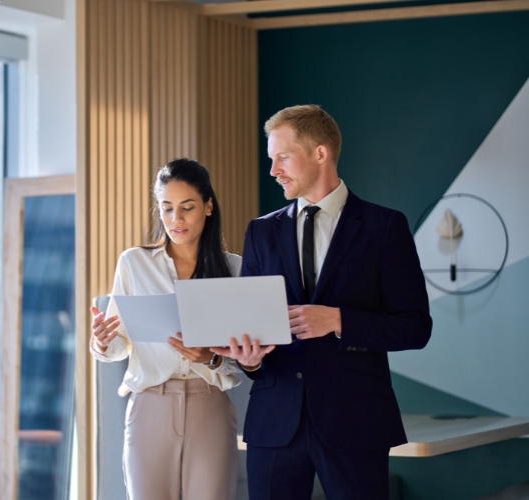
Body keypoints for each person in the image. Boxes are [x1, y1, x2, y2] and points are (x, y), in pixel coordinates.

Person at [213, 105, 432, 499]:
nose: (273, 170)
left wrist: (337, 320)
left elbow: (416, 326)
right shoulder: (261, 232)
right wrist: (250, 359)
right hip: (275, 422)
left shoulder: (384, 227)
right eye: (271, 160)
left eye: (282, 157)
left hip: (356, 420)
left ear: (320, 153)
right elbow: (253, 328)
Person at [90, 158, 241, 500]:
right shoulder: (133, 263)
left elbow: (243, 361)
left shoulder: (235, 269)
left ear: (208, 206)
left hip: (210, 407)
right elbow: (118, 346)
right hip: (149, 407)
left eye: (187, 207)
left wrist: (211, 358)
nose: (177, 219)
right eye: (167, 208)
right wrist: (101, 341)